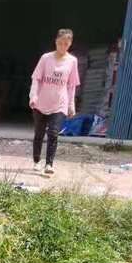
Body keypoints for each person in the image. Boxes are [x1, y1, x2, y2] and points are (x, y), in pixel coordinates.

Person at [28, 29, 80, 177]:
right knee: (39, 133)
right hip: (41, 102)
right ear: (55, 42)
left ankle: (49, 164)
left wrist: (71, 105)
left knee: (53, 133)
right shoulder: (46, 58)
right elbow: (36, 79)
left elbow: (71, 86)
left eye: (66, 44)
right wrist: (33, 96)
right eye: (60, 43)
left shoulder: (72, 61)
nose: (63, 46)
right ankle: (36, 161)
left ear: (70, 44)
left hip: (59, 104)